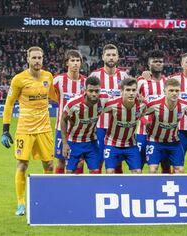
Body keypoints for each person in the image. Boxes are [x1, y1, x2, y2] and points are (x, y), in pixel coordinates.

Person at [1, 46, 57, 216]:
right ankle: (21, 203)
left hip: (45, 128)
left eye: (40, 57)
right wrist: (5, 129)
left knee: (48, 164)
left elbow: (55, 96)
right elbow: (9, 104)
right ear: (28, 59)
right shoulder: (18, 79)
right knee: (22, 164)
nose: (37, 60)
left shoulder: (48, 76)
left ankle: (47, 198)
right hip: (25, 128)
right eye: (34, 58)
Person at [144, 78, 187, 174]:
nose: (174, 93)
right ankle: (154, 188)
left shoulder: (184, 105)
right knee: (153, 169)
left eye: (177, 91)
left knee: (180, 170)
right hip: (155, 141)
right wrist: (146, 122)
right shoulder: (154, 104)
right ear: (164, 91)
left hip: (173, 142)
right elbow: (140, 114)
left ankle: (179, 189)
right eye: (171, 90)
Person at [89, 44, 129, 173]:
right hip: (99, 126)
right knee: (98, 160)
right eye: (108, 55)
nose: (111, 58)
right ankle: (97, 189)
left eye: (113, 55)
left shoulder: (124, 77)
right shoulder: (95, 75)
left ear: (118, 57)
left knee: (117, 161)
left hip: (119, 126)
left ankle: (118, 188)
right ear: (103, 57)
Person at [61, 76, 108, 174]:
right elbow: (63, 120)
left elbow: (119, 102)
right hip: (73, 142)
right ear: (85, 90)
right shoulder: (73, 104)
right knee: (70, 173)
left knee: (96, 171)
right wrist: (65, 144)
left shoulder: (104, 100)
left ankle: (93, 189)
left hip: (91, 142)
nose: (94, 94)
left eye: (97, 91)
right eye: (91, 91)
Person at [136, 50, 170, 173]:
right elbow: (135, 104)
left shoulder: (167, 82)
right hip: (143, 131)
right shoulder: (141, 81)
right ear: (149, 64)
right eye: (155, 61)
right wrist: (144, 120)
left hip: (162, 133)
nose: (158, 64)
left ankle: (161, 190)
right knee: (138, 164)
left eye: (160, 61)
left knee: (165, 165)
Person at [103, 78, 146, 174]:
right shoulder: (112, 104)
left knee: (138, 172)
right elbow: (96, 112)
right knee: (110, 172)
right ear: (121, 91)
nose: (131, 93)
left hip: (130, 144)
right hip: (112, 143)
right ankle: (112, 189)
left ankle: (135, 189)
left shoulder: (143, 105)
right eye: (128, 90)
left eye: (134, 90)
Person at [53, 50, 86, 174]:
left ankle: (77, 189)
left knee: (80, 160)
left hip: (80, 129)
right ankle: (58, 187)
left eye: (78, 60)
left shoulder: (86, 82)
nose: (75, 63)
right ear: (67, 63)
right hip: (61, 128)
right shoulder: (58, 80)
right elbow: (50, 94)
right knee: (61, 161)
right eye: (72, 60)